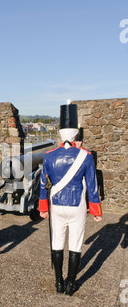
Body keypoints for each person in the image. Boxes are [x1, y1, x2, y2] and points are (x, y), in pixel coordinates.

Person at [39, 101, 102, 296]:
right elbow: (92, 185)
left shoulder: (49, 156)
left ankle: (58, 281)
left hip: (56, 205)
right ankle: (70, 283)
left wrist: (43, 208)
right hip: (77, 205)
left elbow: (42, 184)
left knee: (57, 243)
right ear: (75, 134)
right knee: (75, 245)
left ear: (60, 133)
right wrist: (96, 211)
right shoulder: (86, 156)